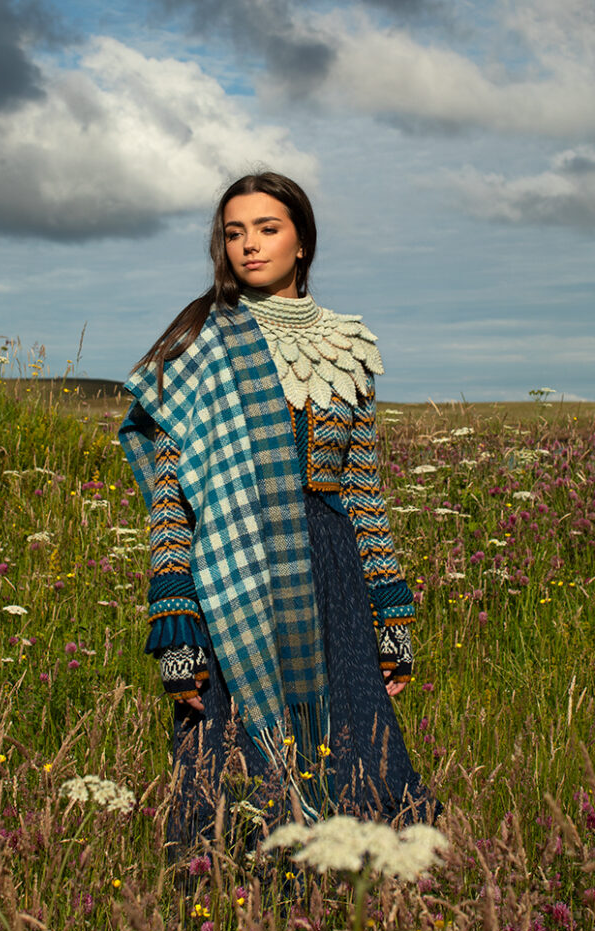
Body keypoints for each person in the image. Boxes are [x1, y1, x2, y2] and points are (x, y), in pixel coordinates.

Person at [119, 172, 438, 844]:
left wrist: (392, 609)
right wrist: (174, 610)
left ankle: (352, 909)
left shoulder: (346, 344)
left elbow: (361, 489)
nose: (248, 245)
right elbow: (173, 491)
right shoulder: (204, 341)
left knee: (355, 750)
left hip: (330, 574)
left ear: (302, 242)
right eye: (234, 233)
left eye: (267, 229)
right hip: (234, 564)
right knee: (229, 754)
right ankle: (233, 907)